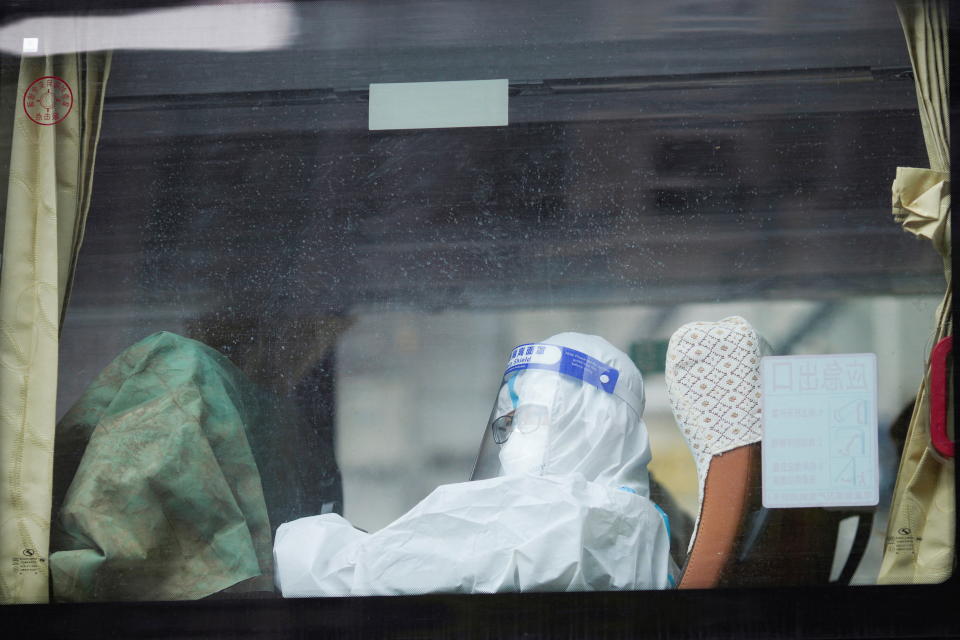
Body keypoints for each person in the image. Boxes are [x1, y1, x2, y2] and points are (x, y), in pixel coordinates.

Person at [273, 332, 673, 596]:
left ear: (593, 422)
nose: (511, 440)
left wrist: (284, 546)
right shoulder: (631, 518)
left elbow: (365, 575)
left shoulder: (565, 514)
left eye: (529, 418)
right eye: (509, 422)